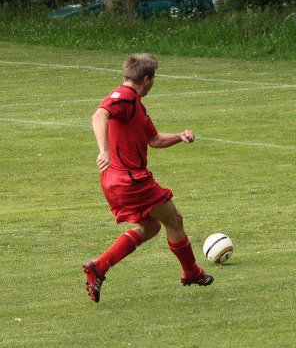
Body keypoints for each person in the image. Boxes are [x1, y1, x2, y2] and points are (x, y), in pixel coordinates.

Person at [84, 53, 212, 303]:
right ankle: (191, 272)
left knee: (151, 226)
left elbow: (154, 140)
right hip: (131, 180)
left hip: (115, 180)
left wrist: (179, 136)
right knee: (174, 220)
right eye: (154, 79)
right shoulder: (125, 98)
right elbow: (99, 115)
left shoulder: (136, 105)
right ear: (146, 79)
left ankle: (99, 267)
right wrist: (104, 150)